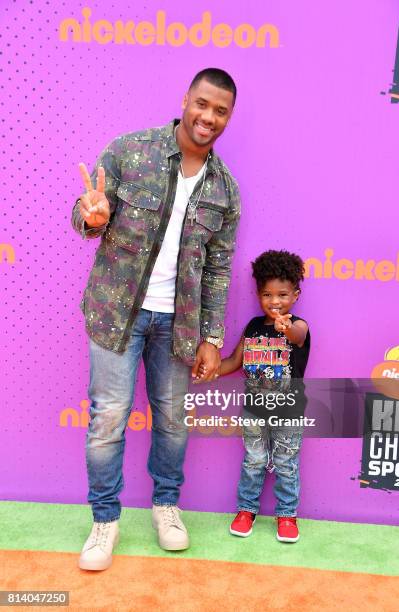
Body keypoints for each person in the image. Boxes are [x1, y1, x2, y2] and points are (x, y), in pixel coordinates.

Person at [71, 68, 241, 570]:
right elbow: (85, 216)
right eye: (203, 104)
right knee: (108, 421)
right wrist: (92, 218)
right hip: (116, 313)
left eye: (221, 111)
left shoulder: (226, 189)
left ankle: (166, 507)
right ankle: (104, 521)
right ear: (185, 100)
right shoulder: (130, 151)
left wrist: (212, 335)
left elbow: (218, 269)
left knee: (171, 422)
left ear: (228, 117)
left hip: (179, 325)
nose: (208, 117)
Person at [218, 250, 310, 542]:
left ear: (295, 295)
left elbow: (298, 336)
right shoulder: (254, 327)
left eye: (282, 294)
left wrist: (288, 327)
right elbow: (234, 362)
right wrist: (209, 370)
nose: (275, 302)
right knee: (254, 460)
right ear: (259, 295)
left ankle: (287, 515)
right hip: (254, 409)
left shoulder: (300, 326)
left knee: (286, 462)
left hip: (289, 409)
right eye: (267, 295)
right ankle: (246, 510)